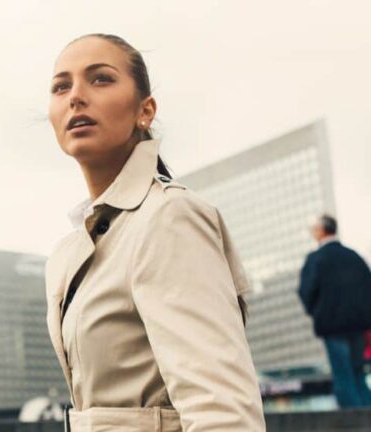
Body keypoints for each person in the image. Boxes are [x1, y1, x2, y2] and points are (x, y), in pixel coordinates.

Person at [44, 33, 265, 431]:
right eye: (61, 86)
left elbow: (222, 409)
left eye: (100, 79)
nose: (75, 96)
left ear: (144, 111)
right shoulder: (69, 251)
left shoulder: (169, 216)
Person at [298, 214, 371, 408]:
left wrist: (318, 313)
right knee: (358, 373)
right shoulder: (354, 257)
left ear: (321, 231)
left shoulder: (316, 259)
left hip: (332, 327)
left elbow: (306, 292)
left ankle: (354, 424)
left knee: (342, 375)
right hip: (358, 325)